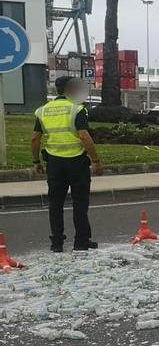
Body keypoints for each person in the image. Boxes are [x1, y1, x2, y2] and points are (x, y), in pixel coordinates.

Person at [32, 76, 103, 252]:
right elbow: (84, 136)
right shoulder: (77, 109)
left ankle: (56, 243)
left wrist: (36, 161)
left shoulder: (42, 111)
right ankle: (81, 241)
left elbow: (35, 139)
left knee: (55, 204)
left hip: (54, 163)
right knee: (80, 203)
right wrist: (96, 160)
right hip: (77, 162)